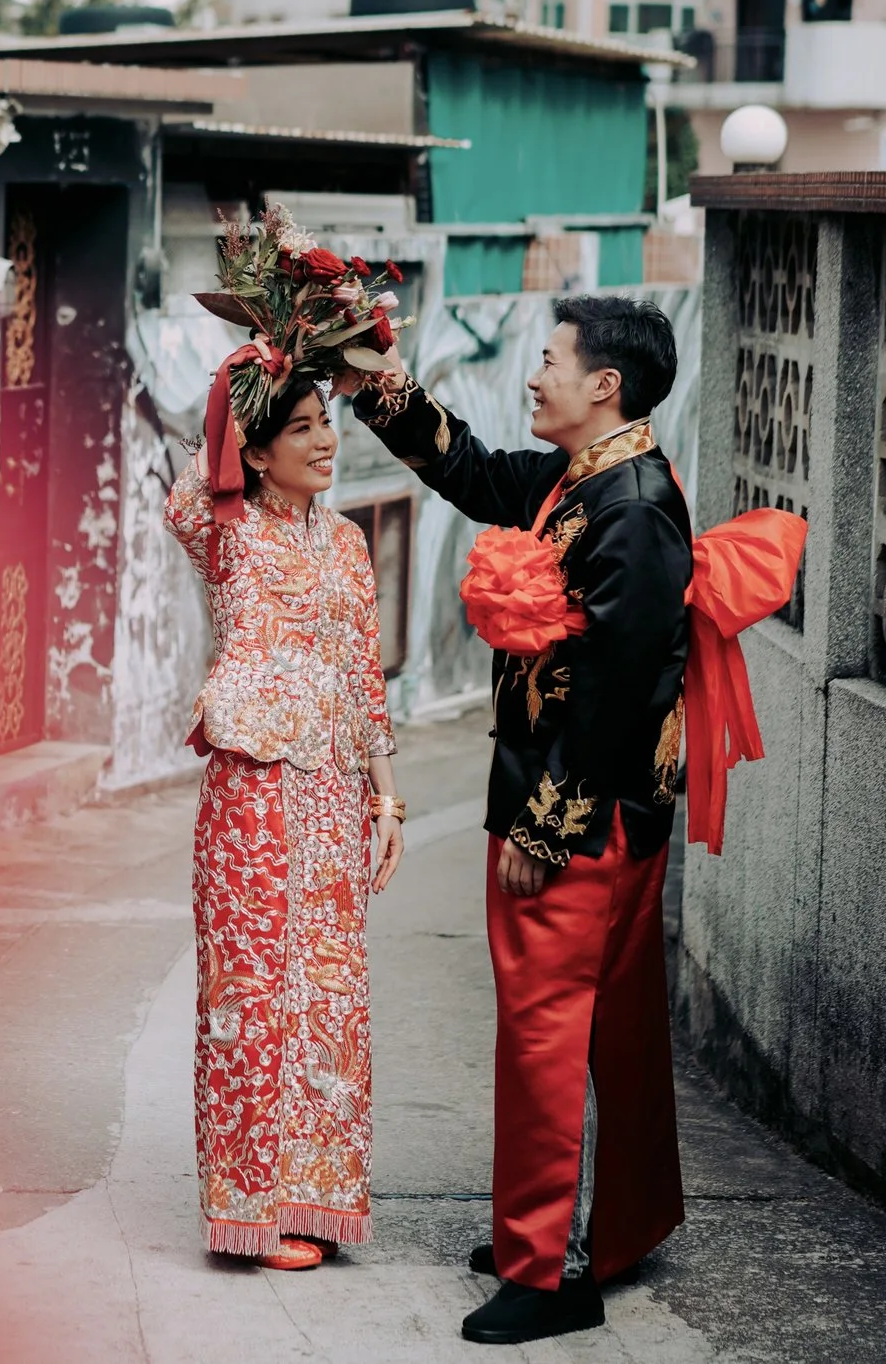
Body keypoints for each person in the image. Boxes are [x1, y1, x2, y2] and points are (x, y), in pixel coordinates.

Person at [341, 294, 691, 1344]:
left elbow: (622, 692)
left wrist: (544, 832)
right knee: (612, 1035)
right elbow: (474, 471)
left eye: (549, 361)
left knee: (543, 1038)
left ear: (605, 387)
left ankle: (542, 1275)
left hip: (577, 820)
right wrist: (374, 384)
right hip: (603, 815)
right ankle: (619, 1230)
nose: (533, 376)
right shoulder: (583, 479)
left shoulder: (631, 508)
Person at [164, 378, 407, 1273]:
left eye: (325, 423)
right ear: (257, 454)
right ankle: (249, 1210)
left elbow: (363, 679)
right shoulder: (227, 532)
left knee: (329, 996)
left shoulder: (346, 544)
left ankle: (317, 1197)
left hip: (334, 797)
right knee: (254, 992)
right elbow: (187, 494)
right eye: (298, 429)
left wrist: (385, 801)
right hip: (250, 794)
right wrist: (259, 360)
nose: (323, 441)